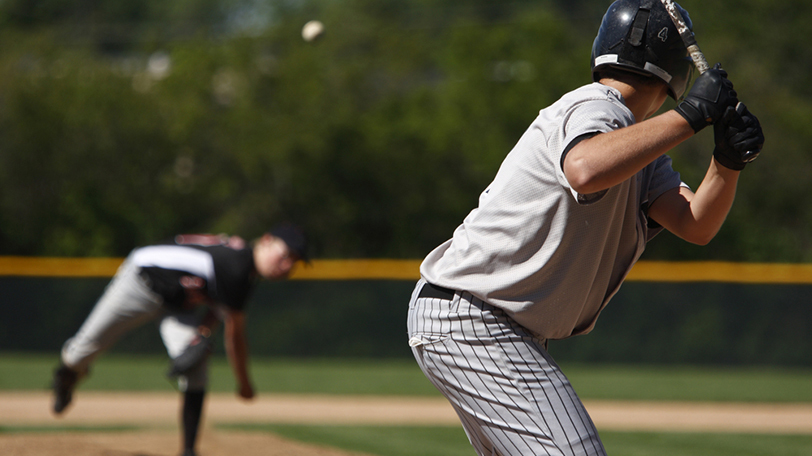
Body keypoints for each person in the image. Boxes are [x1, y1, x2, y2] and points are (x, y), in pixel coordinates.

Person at [406, 1, 764, 455]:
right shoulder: (596, 106)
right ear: (676, 72)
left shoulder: (632, 141)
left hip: (486, 323)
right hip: (474, 319)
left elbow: (695, 224)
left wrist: (727, 164)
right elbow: (584, 168)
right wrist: (690, 116)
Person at [51, 223, 308, 456]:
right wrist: (244, 384)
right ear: (265, 241)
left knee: (197, 368)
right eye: (285, 255)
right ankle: (67, 376)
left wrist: (202, 334)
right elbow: (235, 337)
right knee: (79, 353)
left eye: (293, 262)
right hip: (142, 281)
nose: (287, 266)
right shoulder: (238, 267)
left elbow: (217, 307)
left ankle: (188, 451)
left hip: (180, 303)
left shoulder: (244, 267)